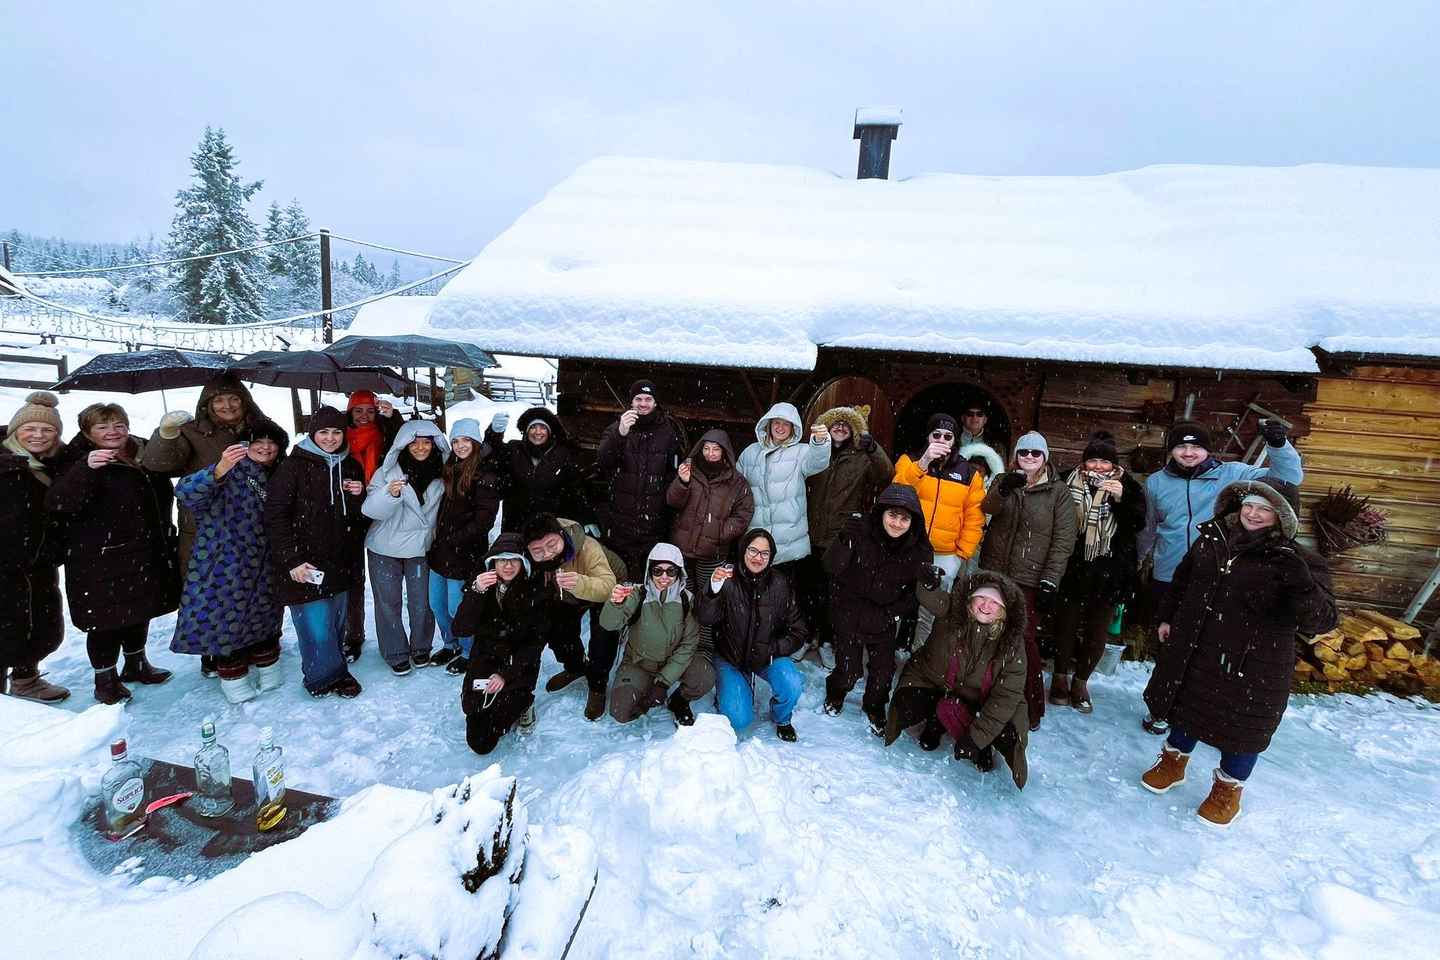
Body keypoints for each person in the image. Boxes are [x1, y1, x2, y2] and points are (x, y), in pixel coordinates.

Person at [1140, 480, 1335, 826]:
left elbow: (1321, 619)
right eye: (1249, 504)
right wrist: (1167, 616)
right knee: (1186, 706)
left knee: (1243, 728)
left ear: (1282, 516)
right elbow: (1184, 581)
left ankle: (1227, 790)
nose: (1253, 513)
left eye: (1265, 508)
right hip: (1198, 647)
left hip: (1254, 663)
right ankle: (1173, 762)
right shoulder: (1213, 540)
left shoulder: (1298, 560)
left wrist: (1301, 582)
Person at [1135, 418, 1304, 734]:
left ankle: (1193, 711)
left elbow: (1289, 478)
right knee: (1169, 647)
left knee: (1205, 649)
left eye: (1195, 446)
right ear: (1171, 450)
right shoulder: (1156, 482)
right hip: (1169, 575)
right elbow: (1149, 528)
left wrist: (1278, 446)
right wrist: (1135, 561)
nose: (1188, 452)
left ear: (1207, 449)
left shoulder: (1234, 474)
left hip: (1215, 577)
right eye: (1181, 446)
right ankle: (1160, 707)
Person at [47, 402, 181, 704]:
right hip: (98, 555)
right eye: (103, 426)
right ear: (87, 431)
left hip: (143, 548)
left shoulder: (141, 451)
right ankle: (105, 679)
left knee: (139, 609)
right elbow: (59, 502)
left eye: (118, 424)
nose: (113, 431)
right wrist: (86, 469)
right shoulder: (74, 459)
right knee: (105, 619)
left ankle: (136, 663)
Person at [171, 420, 290, 703]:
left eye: (271, 442)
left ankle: (269, 672)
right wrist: (219, 469)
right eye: (257, 441)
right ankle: (234, 682)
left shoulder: (280, 475)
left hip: (266, 562)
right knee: (225, 622)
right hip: (224, 563)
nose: (265, 447)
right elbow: (185, 492)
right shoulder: (227, 471)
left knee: (266, 617)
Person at [883, 571, 1030, 791]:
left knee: (1009, 734)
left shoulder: (1012, 643)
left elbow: (1007, 697)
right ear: (971, 599)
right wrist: (927, 583)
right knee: (908, 702)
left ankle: (984, 744)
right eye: (981, 598)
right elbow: (930, 597)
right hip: (936, 684)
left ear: (1004, 612)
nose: (986, 606)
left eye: (994, 603)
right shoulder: (953, 610)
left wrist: (976, 740)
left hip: (982, 700)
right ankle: (936, 720)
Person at [263, 406, 366, 698]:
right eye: (324, 432)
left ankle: (324, 671)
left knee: (334, 623)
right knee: (315, 625)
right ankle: (327, 676)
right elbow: (275, 516)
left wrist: (361, 496)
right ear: (313, 434)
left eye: (336, 432)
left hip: (341, 560)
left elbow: (359, 519)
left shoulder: (351, 466)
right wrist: (292, 560)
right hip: (304, 560)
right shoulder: (292, 467)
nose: (331, 438)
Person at [979, 430, 1077, 729]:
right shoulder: (1003, 481)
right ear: (1015, 457)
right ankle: (988, 697)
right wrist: (1004, 489)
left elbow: (1063, 540)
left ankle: (1031, 705)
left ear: (1045, 458)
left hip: (1029, 579)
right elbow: (986, 509)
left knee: (1023, 641)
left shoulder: (1058, 493)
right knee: (987, 635)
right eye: (1024, 453)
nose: (1029, 458)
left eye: (1036, 453)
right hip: (995, 572)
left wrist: (1050, 580)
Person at [822, 484, 934, 733]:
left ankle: (874, 707)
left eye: (904, 518)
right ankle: (836, 693)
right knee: (848, 670)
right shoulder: (860, 531)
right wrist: (842, 541)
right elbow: (831, 566)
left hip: (884, 616)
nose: (896, 523)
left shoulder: (920, 549)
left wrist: (893, 613)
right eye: (892, 515)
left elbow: (914, 596)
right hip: (850, 611)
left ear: (912, 521)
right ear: (881, 513)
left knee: (883, 676)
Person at [1051, 431, 1147, 713]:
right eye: (1092, 461)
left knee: (1097, 630)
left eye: (1104, 462)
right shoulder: (1067, 480)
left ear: (1114, 465)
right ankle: (1059, 677)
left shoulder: (1128, 486)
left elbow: (1137, 525)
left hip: (1110, 571)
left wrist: (1122, 500)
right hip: (1072, 567)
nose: (1098, 467)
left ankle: (1081, 682)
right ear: (1083, 463)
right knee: (1065, 626)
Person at [140, 374, 265, 570]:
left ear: (245, 400)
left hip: (251, 526)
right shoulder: (192, 432)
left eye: (234, 398)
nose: (228, 405)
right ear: (208, 404)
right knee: (202, 590)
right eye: (219, 400)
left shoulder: (262, 430)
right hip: (201, 528)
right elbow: (159, 464)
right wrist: (166, 435)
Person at [802, 405, 893, 662]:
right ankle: (809, 635)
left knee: (836, 595)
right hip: (810, 533)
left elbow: (886, 475)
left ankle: (829, 640)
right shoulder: (816, 453)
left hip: (840, 538)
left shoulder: (862, 457)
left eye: (846, 425)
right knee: (809, 591)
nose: (840, 428)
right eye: (835, 424)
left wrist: (873, 448)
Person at [700, 529, 810, 741]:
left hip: (765, 655)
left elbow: (799, 630)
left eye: (764, 554)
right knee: (738, 720)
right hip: (730, 657)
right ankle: (732, 690)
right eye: (753, 550)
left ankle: (782, 717)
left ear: (771, 557)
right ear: (743, 550)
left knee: (792, 684)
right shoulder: (727, 577)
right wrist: (712, 588)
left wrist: (774, 649)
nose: (757, 558)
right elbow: (704, 617)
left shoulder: (780, 583)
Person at [363, 420, 450, 675]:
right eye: (414, 443)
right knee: (388, 603)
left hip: (421, 548)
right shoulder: (387, 473)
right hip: (384, 547)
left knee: (422, 602)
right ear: (403, 445)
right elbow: (369, 510)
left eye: (426, 442)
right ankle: (395, 651)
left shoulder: (445, 474)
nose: (421, 448)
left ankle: (421, 648)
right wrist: (388, 494)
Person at [892, 413, 986, 646]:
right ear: (928, 436)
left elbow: (975, 518)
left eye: (948, 436)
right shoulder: (910, 460)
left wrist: (960, 555)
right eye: (937, 435)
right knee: (893, 606)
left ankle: (918, 660)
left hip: (944, 555)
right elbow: (896, 494)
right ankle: (884, 659)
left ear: (955, 441)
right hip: (906, 547)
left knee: (930, 614)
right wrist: (923, 463)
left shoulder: (968, 473)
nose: (942, 440)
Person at [598, 542, 715, 725]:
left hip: (672, 661)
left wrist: (663, 683)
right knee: (620, 711)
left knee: (704, 677)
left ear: (679, 572)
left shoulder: (687, 600)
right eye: (657, 571)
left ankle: (679, 700)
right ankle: (642, 689)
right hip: (639, 663)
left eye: (671, 571)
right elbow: (609, 624)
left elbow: (688, 645)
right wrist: (615, 604)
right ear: (649, 571)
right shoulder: (637, 594)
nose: (664, 577)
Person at [0, 392, 69, 701]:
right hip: (5, 563)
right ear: (16, 431)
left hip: (39, 561)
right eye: (30, 429)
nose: (38, 436)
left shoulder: (53, 463)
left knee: (37, 621)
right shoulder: (4, 464)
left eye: (47, 430)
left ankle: (27, 680)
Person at [523, 513, 625, 720]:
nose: (548, 554)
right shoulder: (535, 560)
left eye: (552, 545)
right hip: (568, 592)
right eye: (538, 551)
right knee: (556, 629)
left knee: (603, 634)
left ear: (561, 536)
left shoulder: (588, 547)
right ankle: (576, 667)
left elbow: (608, 585)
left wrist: (580, 584)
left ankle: (597, 684)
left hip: (607, 588)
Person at [455, 533, 549, 753]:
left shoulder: (536, 591)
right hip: (485, 659)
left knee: (502, 713)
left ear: (523, 563)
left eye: (514, 559)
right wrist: (475, 591)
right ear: (492, 563)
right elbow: (461, 629)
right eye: (502, 560)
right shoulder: (481, 586)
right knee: (479, 741)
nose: (508, 566)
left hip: (517, 665)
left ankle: (524, 701)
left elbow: (534, 646)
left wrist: (505, 675)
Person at [428, 418, 505, 671]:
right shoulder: (451, 467)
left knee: (458, 607)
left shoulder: (486, 474)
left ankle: (469, 650)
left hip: (465, 554)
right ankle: (450, 644)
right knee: (437, 604)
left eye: (466, 440)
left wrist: (454, 539)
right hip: (440, 551)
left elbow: (484, 521)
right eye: (456, 441)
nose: (460, 445)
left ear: (475, 442)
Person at [595, 380, 687, 574]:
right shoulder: (617, 428)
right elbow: (604, 462)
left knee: (651, 573)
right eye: (638, 399)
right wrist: (621, 434)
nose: (643, 403)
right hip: (621, 519)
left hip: (654, 521)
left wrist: (666, 509)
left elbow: (673, 472)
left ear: (655, 403)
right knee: (620, 574)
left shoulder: (668, 431)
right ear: (631, 402)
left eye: (648, 399)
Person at [341, 390, 404, 660]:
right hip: (350, 513)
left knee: (385, 581)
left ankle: (394, 638)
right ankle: (352, 635)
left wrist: (393, 418)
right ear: (350, 413)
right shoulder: (339, 437)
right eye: (358, 410)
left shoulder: (385, 433)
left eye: (370, 410)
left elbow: (404, 443)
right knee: (352, 577)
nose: (365, 416)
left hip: (382, 508)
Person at [737, 401, 831, 576]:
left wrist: (820, 442)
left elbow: (818, 462)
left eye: (786, 424)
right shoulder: (750, 452)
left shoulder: (801, 452)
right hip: (757, 540)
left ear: (793, 428)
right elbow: (736, 488)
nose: (780, 428)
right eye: (777, 423)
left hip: (790, 542)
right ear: (769, 424)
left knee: (784, 594)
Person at [667, 428, 754, 606]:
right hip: (682, 549)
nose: (710, 453)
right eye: (706, 448)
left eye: (715, 449)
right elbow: (672, 501)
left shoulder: (737, 481)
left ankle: (705, 634)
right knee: (683, 596)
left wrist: (720, 533)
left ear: (724, 451)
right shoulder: (689, 470)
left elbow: (743, 514)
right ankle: (687, 631)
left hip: (712, 553)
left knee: (710, 598)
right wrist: (682, 482)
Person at [493, 407, 595, 533]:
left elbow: (575, 487)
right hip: (516, 522)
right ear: (526, 430)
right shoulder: (514, 449)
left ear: (550, 431)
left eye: (543, 427)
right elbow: (492, 456)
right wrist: (494, 434)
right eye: (533, 427)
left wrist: (586, 516)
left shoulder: (562, 454)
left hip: (550, 524)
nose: (537, 432)